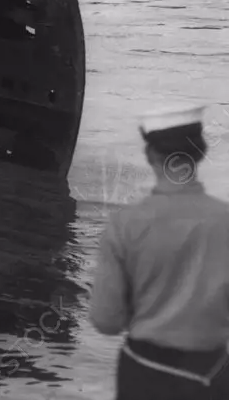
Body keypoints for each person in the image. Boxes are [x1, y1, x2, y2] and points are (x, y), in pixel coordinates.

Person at [89, 103, 229, 400]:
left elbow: (106, 320)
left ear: (150, 155)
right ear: (201, 152)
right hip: (214, 373)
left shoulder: (125, 225)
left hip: (145, 372)